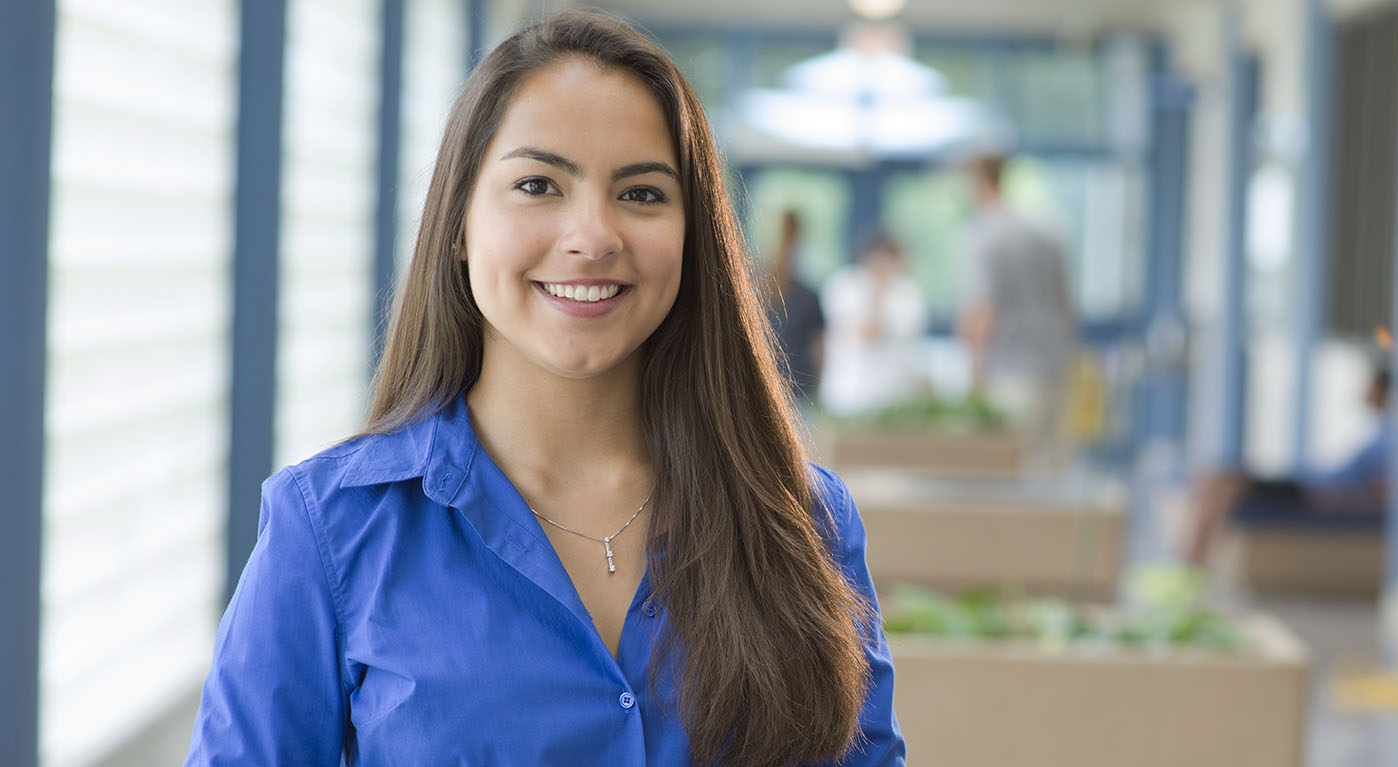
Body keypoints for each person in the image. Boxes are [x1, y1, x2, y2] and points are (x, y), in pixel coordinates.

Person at [185, 11, 905, 766]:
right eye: (538, 184)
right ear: (459, 222)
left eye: (642, 194)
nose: (593, 235)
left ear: (694, 237)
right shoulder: (329, 531)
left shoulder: (804, 522)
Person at [1184, 364, 1394, 566]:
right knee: (1212, 481)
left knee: (1217, 484)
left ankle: (1190, 568)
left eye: (1370, 385)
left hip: (1314, 492)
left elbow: (1380, 491)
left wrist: (1337, 500)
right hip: (1308, 482)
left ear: (1383, 391)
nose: (1363, 390)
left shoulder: (1392, 437)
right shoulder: (1380, 430)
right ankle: (1191, 565)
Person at [957, 154, 1075, 465]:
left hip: (1010, 374)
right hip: (1054, 367)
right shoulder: (1048, 229)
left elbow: (984, 310)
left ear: (976, 183)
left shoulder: (985, 234)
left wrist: (975, 378)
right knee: (1051, 470)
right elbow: (1065, 303)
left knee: (1012, 476)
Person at [819, 229, 927, 416]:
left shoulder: (908, 293)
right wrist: (876, 291)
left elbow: (888, 332)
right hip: (847, 397)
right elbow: (866, 332)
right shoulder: (844, 285)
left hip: (894, 401)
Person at [761, 208, 826, 404]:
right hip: (797, 392)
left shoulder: (750, 291)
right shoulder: (808, 295)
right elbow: (818, 351)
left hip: (756, 386)